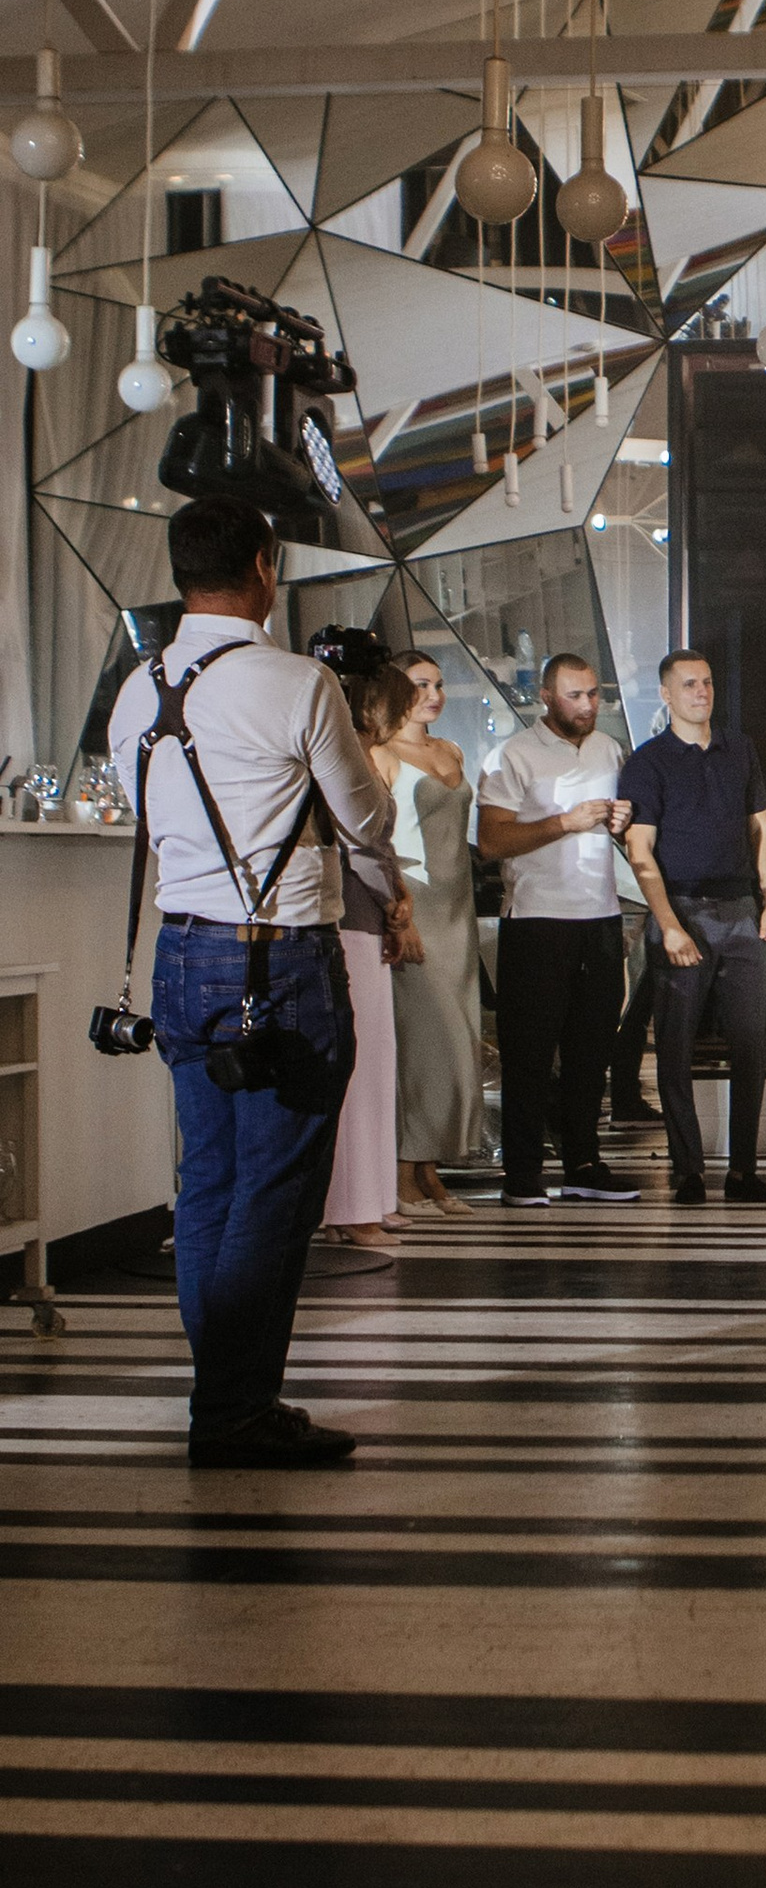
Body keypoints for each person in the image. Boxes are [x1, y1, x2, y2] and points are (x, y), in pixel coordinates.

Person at [106, 495, 405, 1467]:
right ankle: (234, 1406)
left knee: (208, 1183)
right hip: (279, 958)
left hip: (179, 952)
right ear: (265, 567)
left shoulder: (135, 687)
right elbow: (369, 823)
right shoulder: (297, 682)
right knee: (275, 1190)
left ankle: (224, 1392)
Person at [620, 649, 766, 1209]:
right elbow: (638, 848)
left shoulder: (739, 748)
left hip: (739, 908)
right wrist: (668, 926)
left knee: (749, 1046)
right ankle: (688, 1170)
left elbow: (759, 827)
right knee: (674, 1047)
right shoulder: (648, 762)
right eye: (689, 684)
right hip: (682, 910)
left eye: (708, 682)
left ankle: (742, 1171)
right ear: (666, 694)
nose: (701, 692)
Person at [477, 653, 639, 1209]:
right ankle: (521, 1175)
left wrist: (619, 823)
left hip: (599, 915)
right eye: (574, 695)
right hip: (536, 920)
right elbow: (492, 842)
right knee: (529, 1052)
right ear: (546, 697)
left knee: (591, 1051)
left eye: (593, 693)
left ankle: (584, 1164)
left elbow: (621, 829)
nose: (588, 705)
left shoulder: (608, 749)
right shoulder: (512, 754)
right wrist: (563, 823)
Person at [319, 658, 424, 1249]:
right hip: (351, 916)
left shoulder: (352, 754)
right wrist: (393, 901)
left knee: (377, 1059)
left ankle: (373, 1197)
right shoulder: (346, 756)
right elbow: (362, 843)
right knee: (360, 1064)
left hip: (365, 912)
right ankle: (352, 1206)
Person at [382, 650, 478, 1213]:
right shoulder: (380, 754)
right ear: (397, 689)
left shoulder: (453, 750)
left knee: (458, 1041)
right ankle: (400, 1172)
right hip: (414, 906)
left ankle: (429, 1170)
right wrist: (401, 914)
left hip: (458, 906)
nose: (435, 694)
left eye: (439, 684)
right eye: (422, 684)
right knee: (424, 1042)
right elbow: (378, 842)